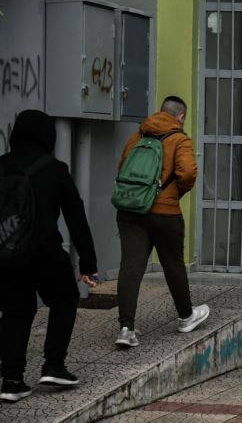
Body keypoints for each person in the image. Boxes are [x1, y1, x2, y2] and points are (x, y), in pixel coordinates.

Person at [0, 110, 98, 402]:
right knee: (65, 298)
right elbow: (76, 218)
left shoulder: (1, 165)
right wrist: (88, 264)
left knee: (16, 311)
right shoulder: (54, 169)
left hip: (8, 253)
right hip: (44, 252)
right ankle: (54, 365)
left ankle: (12, 381)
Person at [114, 96, 209, 347]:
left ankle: (126, 328)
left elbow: (122, 167)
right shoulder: (180, 139)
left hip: (130, 210)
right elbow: (187, 173)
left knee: (130, 266)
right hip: (164, 212)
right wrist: (173, 194)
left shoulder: (138, 136)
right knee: (173, 264)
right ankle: (186, 316)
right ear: (180, 117)